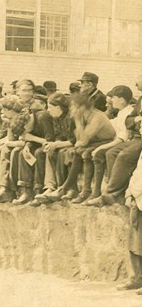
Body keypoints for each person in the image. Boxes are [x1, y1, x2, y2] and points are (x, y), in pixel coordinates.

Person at [87, 73, 142, 207]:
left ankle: (111, 194)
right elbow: (129, 120)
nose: (136, 84)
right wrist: (136, 119)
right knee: (111, 152)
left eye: (139, 80)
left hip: (139, 139)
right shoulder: (141, 99)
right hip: (136, 137)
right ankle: (111, 192)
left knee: (124, 156)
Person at [49, 93, 116, 202]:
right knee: (77, 151)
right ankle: (69, 189)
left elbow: (83, 141)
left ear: (82, 107)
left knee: (84, 152)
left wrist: (78, 121)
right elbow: (80, 141)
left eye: (73, 106)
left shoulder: (97, 116)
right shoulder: (83, 115)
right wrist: (78, 120)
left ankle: (87, 191)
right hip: (94, 142)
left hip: (106, 142)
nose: (71, 109)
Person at [80, 85, 133, 204]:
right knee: (89, 152)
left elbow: (122, 138)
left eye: (113, 98)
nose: (111, 100)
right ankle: (91, 190)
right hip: (118, 142)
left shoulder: (127, 113)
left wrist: (101, 147)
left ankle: (106, 189)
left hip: (124, 144)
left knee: (105, 153)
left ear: (122, 100)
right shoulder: (121, 112)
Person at [122, 152, 142, 294]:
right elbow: (136, 173)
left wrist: (134, 192)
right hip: (138, 200)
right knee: (135, 242)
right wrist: (129, 193)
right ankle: (136, 278)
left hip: (139, 195)